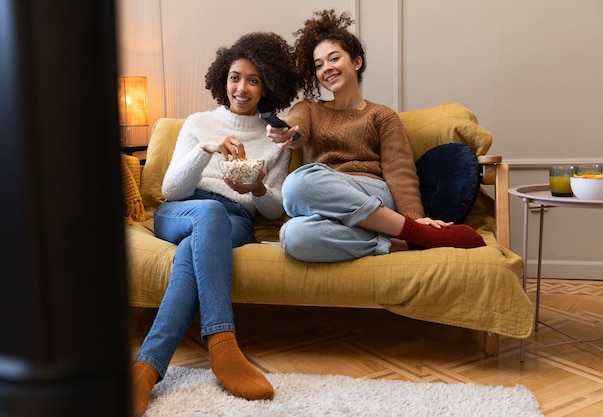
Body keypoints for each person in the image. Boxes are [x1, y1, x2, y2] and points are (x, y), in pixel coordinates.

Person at [131, 32, 300, 417]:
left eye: (253, 80)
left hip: (236, 219)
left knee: (196, 247)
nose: (242, 88)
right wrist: (204, 149)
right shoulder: (198, 122)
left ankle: (145, 367)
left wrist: (256, 187)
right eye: (235, 77)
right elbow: (171, 190)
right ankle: (223, 342)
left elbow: (273, 212)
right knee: (206, 215)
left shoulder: (276, 138)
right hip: (183, 210)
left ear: (266, 86)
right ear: (222, 79)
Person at [266, 10, 485, 263]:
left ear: (356, 62)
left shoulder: (381, 115)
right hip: (327, 202)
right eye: (318, 65)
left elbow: (399, 170)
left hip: (372, 192)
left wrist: (415, 217)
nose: (326, 68)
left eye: (334, 58)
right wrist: (286, 130)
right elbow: (296, 128)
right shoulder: (309, 109)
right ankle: (404, 243)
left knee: (297, 184)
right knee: (294, 235)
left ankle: (415, 231)